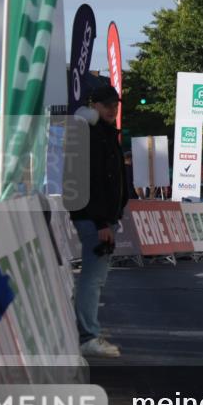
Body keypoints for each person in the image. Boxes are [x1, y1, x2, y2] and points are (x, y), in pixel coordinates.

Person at [64, 85, 129, 358]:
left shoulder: (101, 133)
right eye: (107, 105)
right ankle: (88, 335)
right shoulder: (93, 135)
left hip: (98, 217)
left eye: (115, 104)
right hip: (95, 219)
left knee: (93, 278)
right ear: (94, 106)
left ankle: (85, 333)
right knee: (92, 279)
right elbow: (93, 180)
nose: (113, 109)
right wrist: (103, 222)